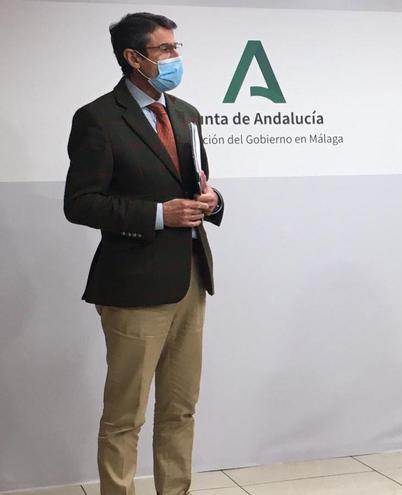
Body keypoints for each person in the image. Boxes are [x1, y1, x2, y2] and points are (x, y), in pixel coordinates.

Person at [64, 12, 224, 495]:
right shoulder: (98, 118)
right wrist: (158, 214)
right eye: (165, 50)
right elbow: (81, 203)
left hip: (190, 280)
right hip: (132, 285)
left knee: (180, 408)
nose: (176, 57)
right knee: (125, 416)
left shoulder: (187, 113)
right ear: (134, 58)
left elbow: (196, 186)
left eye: (177, 47)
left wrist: (213, 202)